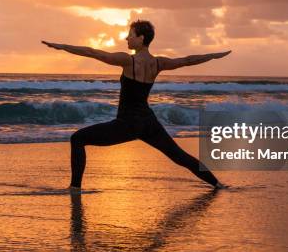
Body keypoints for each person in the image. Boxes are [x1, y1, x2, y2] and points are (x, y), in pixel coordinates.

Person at [42, 19, 230, 192]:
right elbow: (188, 60)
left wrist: (63, 47)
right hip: (149, 122)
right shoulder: (158, 63)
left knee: (77, 139)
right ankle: (217, 184)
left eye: (130, 35)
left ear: (141, 38)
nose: (127, 38)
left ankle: (75, 188)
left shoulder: (128, 60)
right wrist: (213, 55)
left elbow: (93, 53)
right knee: (179, 156)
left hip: (128, 124)